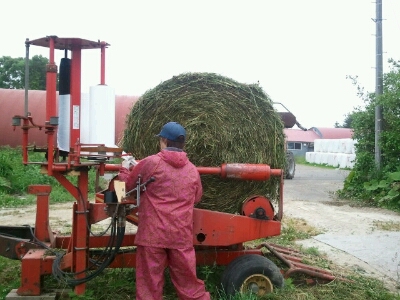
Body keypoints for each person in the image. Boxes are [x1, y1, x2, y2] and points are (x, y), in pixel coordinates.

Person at [118, 121, 210, 300]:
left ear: (164, 141)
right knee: (189, 284)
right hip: (180, 235)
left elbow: (127, 188)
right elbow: (196, 197)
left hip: (153, 235)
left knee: (149, 287)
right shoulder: (192, 170)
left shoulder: (151, 163)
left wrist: (123, 168)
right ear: (183, 144)